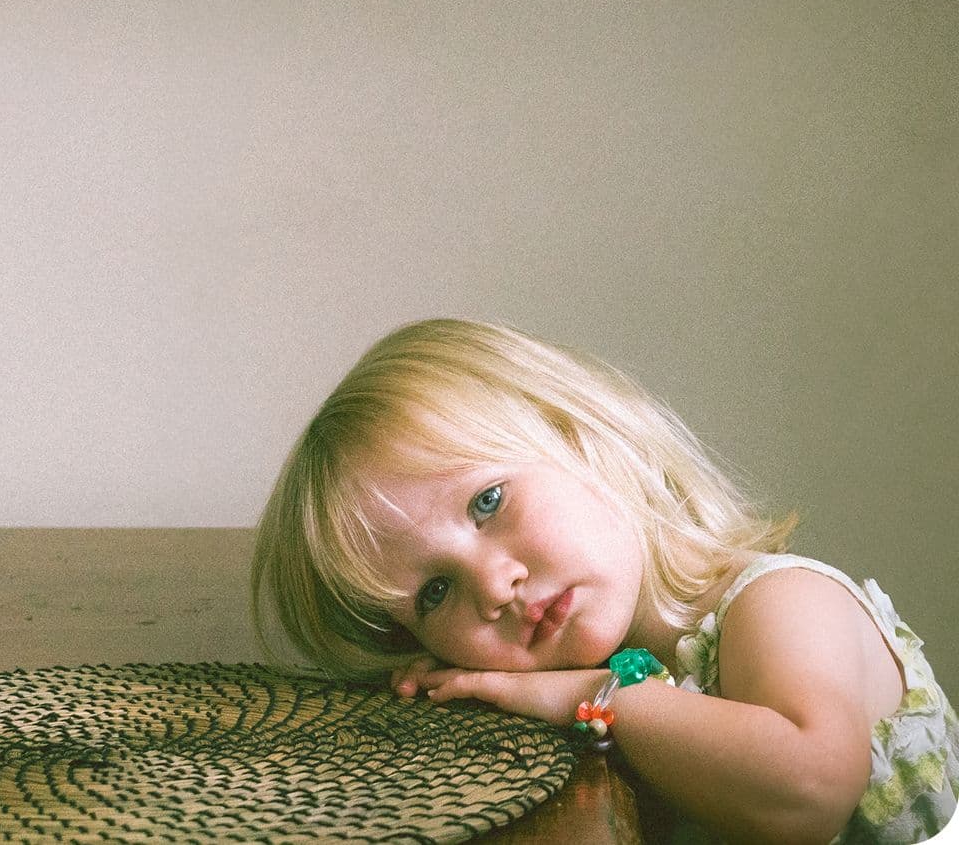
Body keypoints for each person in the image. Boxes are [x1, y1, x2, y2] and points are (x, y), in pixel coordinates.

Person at [250, 318, 957, 844]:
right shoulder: (617, 658)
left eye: (487, 501)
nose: (493, 588)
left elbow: (809, 789)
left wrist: (591, 695)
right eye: (435, 592)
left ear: (579, 436)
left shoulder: (780, 600)